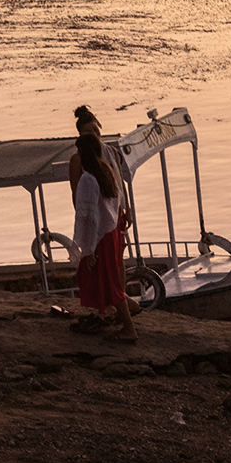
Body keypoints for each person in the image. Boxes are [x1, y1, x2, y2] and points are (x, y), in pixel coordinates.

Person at [71, 132, 137, 342]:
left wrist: (89, 250)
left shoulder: (87, 179)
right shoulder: (106, 170)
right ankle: (125, 311)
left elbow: (89, 217)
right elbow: (114, 203)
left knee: (107, 281)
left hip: (101, 237)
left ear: (82, 153)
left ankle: (129, 328)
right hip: (112, 232)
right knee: (103, 278)